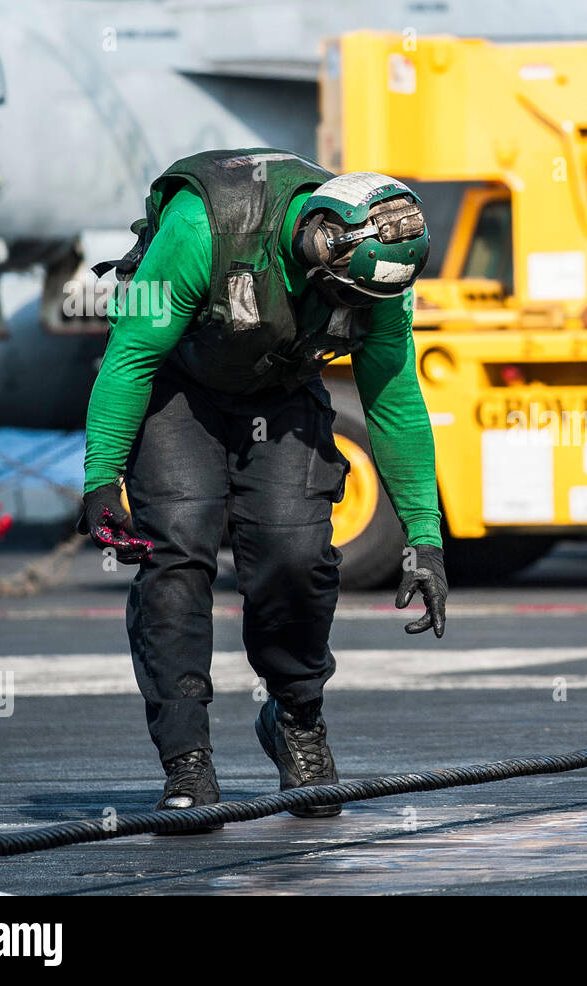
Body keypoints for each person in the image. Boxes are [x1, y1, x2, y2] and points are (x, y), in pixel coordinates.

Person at [78, 148, 447, 820]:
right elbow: (130, 353)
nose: (347, 309)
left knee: (296, 554)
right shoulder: (202, 230)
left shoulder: (378, 274)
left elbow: (394, 399)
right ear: (316, 244)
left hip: (278, 389)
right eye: (340, 295)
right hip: (177, 387)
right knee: (179, 550)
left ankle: (296, 720)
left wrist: (425, 538)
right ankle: (186, 759)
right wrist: (102, 480)